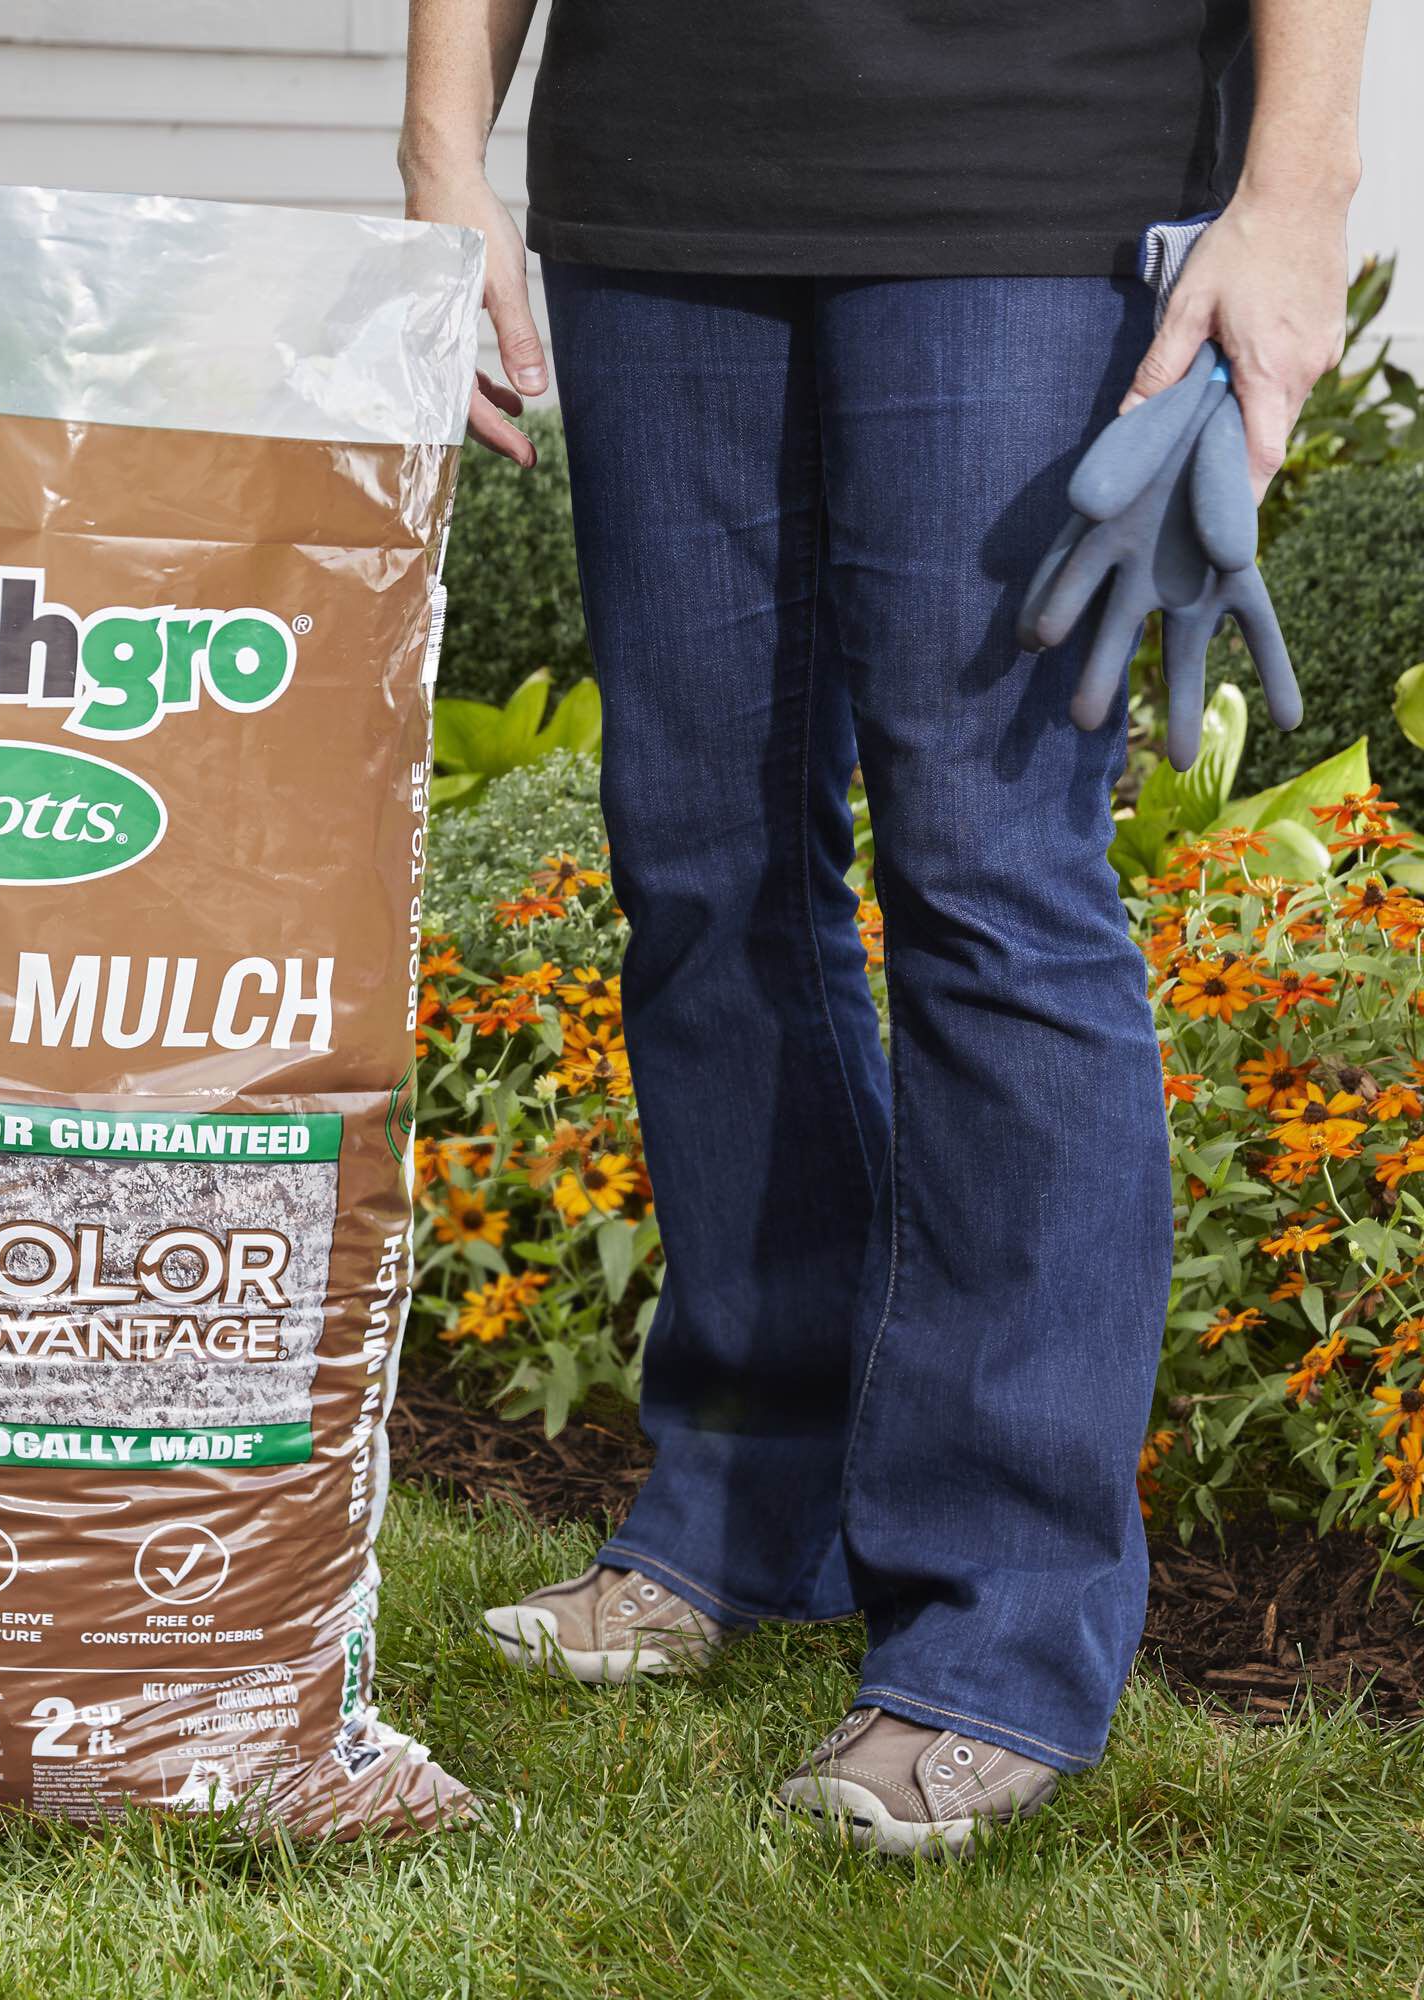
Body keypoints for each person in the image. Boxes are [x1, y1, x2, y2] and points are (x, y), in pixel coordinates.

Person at [400, 0, 1371, 1855]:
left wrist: (1297, 194)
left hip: (1027, 180)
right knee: (698, 862)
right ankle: (746, 1503)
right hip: (660, 178)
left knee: (989, 877)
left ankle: (1001, 1629)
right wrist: (450, 154)